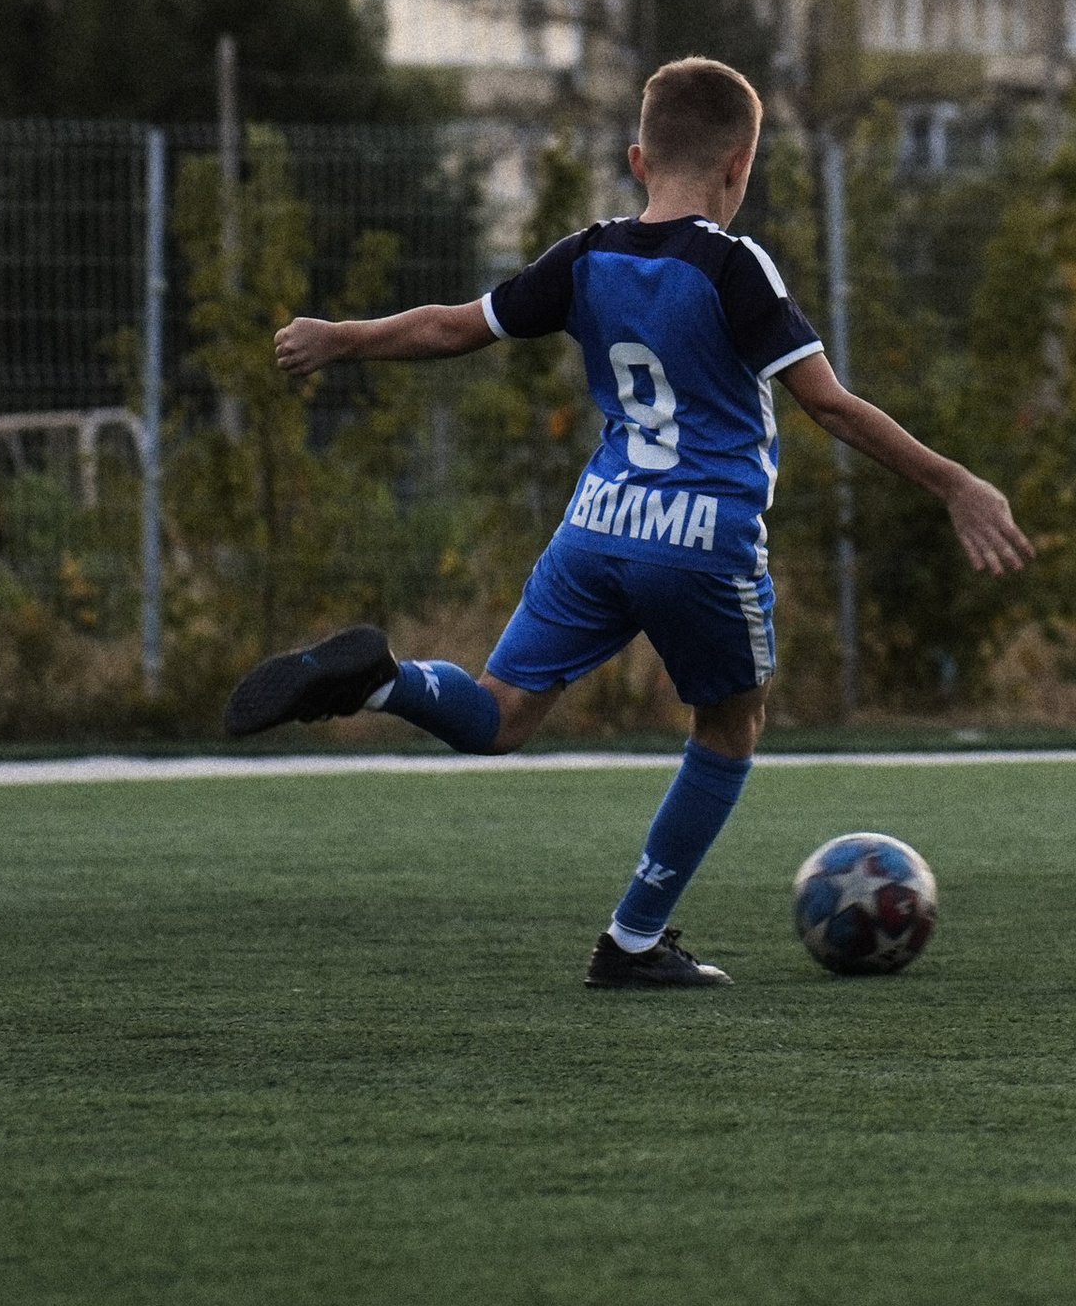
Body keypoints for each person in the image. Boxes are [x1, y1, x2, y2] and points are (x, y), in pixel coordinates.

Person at [224, 53, 1034, 989]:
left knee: (499, 715)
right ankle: (634, 941)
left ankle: (380, 683)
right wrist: (954, 484)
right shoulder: (733, 264)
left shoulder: (586, 254)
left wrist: (342, 338)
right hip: (700, 539)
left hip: (598, 526)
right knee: (729, 728)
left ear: (638, 159)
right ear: (740, 165)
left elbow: (454, 325)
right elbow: (830, 405)